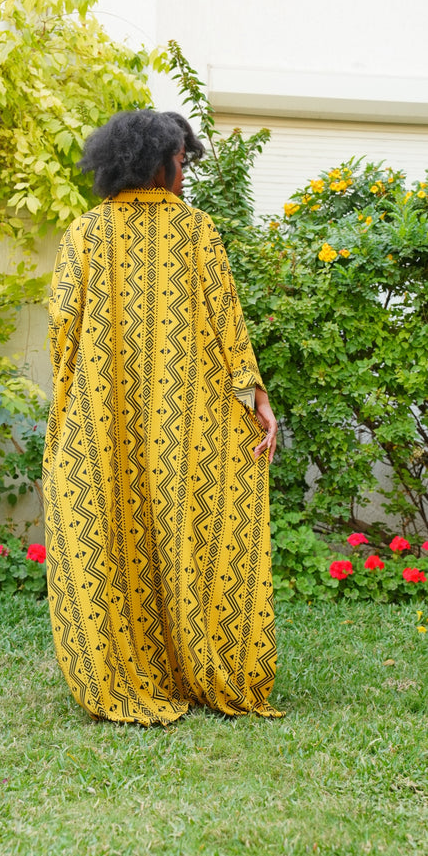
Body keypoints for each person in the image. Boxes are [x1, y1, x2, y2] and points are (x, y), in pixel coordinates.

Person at [43, 109, 284, 725]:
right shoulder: (196, 231)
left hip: (107, 411)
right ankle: (203, 662)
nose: (184, 171)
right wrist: (254, 397)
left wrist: (77, 396)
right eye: (180, 160)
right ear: (156, 163)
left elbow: (63, 325)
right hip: (189, 419)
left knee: (114, 533)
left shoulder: (84, 233)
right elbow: (226, 322)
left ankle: (127, 669)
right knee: (193, 531)